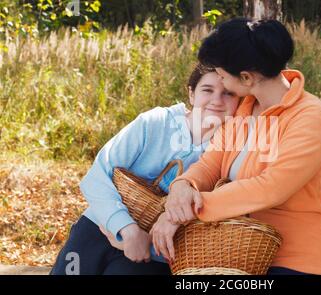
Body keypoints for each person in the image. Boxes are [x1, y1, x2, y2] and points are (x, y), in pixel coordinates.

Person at [151, 18, 321, 275]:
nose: (219, 81)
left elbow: (270, 188)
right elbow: (211, 164)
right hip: (242, 252)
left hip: (299, 260)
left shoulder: (310, 117)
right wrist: (181, 188)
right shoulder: (243, 109)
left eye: (221, 75)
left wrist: (185, 213)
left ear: (246, 77)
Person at [50, 64, 240, 275]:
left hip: (155, 255)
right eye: (207, 90)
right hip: (100, 228)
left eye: (228, 93)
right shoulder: (155, 122)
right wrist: (127, 230)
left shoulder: (230, 151)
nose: (217, 100)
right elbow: (96, 176)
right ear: (191, 94)